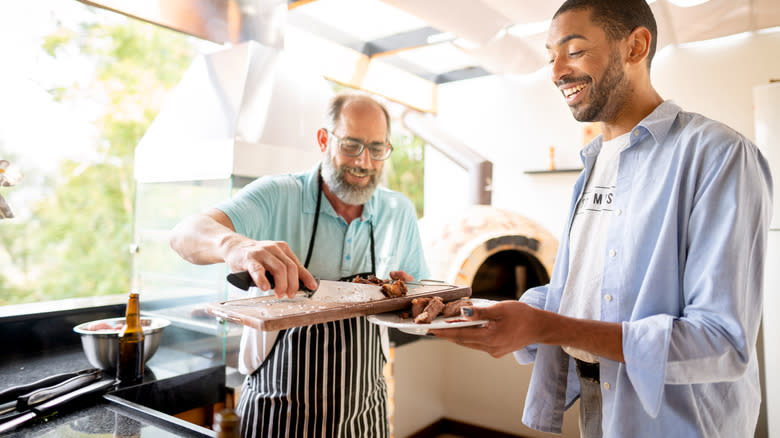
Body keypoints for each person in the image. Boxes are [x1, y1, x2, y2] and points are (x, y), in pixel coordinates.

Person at [431, 1, 773, 437]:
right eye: (550, 55)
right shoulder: (595, 162)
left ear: (636, 46)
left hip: (681, 423)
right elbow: (589, 292)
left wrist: (548, 326)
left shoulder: (718, 155)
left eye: (573, 51)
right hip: (598, 400)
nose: (555, 71)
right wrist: (490, 309)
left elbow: (721, 342)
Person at [169, 92, 429, 438]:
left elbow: (422, 304)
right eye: (351, 145)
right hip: (276, 413)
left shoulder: (398, 212)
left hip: (365, 411)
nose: (365, 162)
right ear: (324, 140)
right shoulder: (277, 194)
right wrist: (235, 245)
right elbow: (183, 235)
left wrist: (410, 299)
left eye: (377, 148)